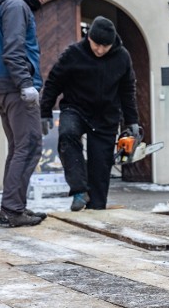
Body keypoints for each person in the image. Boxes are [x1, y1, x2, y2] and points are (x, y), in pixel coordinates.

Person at [39, 16, 140, 211]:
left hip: (106, 116)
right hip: (76, 109)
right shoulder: (73, 54)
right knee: (68, 134)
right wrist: (45, 112)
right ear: (89, 38)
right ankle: (78, 190)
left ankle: (97, 209)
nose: (100, 50)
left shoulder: (122, 57)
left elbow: (128, 90)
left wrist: (132, 121)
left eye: (105, 46)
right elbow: (54, 81)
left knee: (100, 168)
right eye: (96, 45)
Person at [0, 0, 55, 228]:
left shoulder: (3, 4)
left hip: (0, 84)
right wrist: (26, 84)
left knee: (18, 148)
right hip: (15, 87)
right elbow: (13, 49)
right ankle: (12, 210)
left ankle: (12, 208)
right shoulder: (17, 6)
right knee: (30, 146)